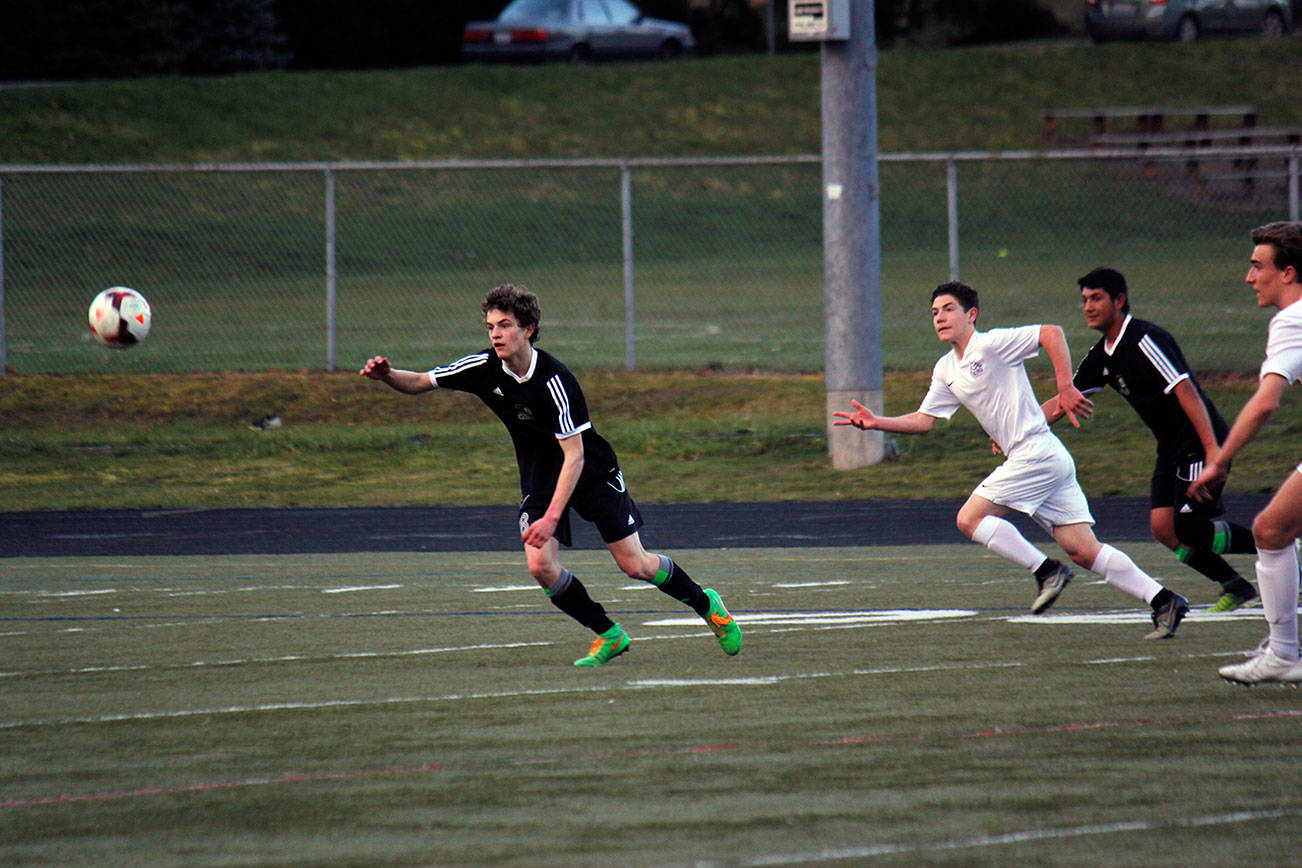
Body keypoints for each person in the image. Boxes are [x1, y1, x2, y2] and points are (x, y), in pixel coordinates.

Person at [360, 284, 741, 667]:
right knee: (540, 566)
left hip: (590, 472)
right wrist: (388, 375)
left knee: (635, 565)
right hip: (542, 477)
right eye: (490, 325)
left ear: (528, 329)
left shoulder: (555, 380)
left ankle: (709, 606)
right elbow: (421, 382)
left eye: (505, 325)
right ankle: (609, 634)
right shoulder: (482, 367)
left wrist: (552, 518)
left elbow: (573, 457)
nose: (495, 333)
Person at [834, 281, 1189, 639]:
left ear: (971, 315)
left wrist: (1066, 387)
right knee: (1083, 550)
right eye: (934, 312)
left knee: (969, 518)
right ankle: (1164, 600)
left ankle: (1046, 571)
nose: (939, 317)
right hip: (1044, 458)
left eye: (948, 309)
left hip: (1035, 453)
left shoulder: (990, 345)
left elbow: (1051, 333)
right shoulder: (945, 369)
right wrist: (877, 422)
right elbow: (925, 421)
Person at [1040, 267, 1256, 611]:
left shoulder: (1145, 339)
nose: (1088, 307)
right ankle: (1235, 584)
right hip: (1171, 449)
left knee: (1190, 527)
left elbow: (1185, 390)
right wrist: (1019, 430)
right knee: (1163, 529)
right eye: (1084, 300)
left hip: (1201, 441)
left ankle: (1279, 542)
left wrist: (1214, 450)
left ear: (1119, 300)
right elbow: (1066, 399)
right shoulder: (1101, 356)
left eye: (1096, 298)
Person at [1190, 222, 1302, 685]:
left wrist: (1218, 459)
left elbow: (1265, 402)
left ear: (1289, 273)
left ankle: (1284, 653)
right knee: (1272, 530)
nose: (1249, 277)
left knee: (1271, 530)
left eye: (1258, 266)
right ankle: (1284, 653)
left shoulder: (1292, 320)